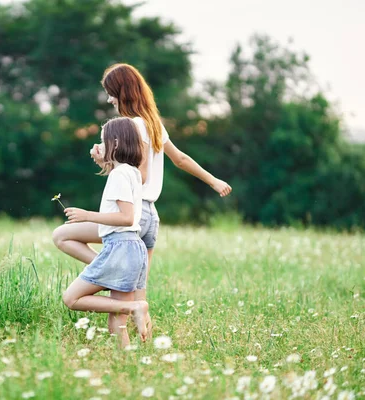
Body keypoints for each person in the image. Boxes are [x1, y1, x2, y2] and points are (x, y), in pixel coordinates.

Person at [54, 63, 232, 335]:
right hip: (151, 217)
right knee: (137, 296)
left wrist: (106, 160)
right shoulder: (153, 123)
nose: (109, 99)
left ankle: (107, 271)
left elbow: (141, 175)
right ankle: (145, 354)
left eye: (111, 93)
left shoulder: (134, 125)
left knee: (62, 236)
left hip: (135, 215)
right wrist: (213, 180)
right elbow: (180, 159)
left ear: (122, 92)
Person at [61, 117, 150, 347]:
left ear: (116, 143)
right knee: (117, 324)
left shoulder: (118, 175)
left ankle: (135, 307)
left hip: (119, 246)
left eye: (104, 140)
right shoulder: (131, 172)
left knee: (71, 298)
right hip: (132, 248)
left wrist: (88, 215)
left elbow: (126, 217)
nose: (100, 145)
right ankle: (128, 367)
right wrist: (104, 160)